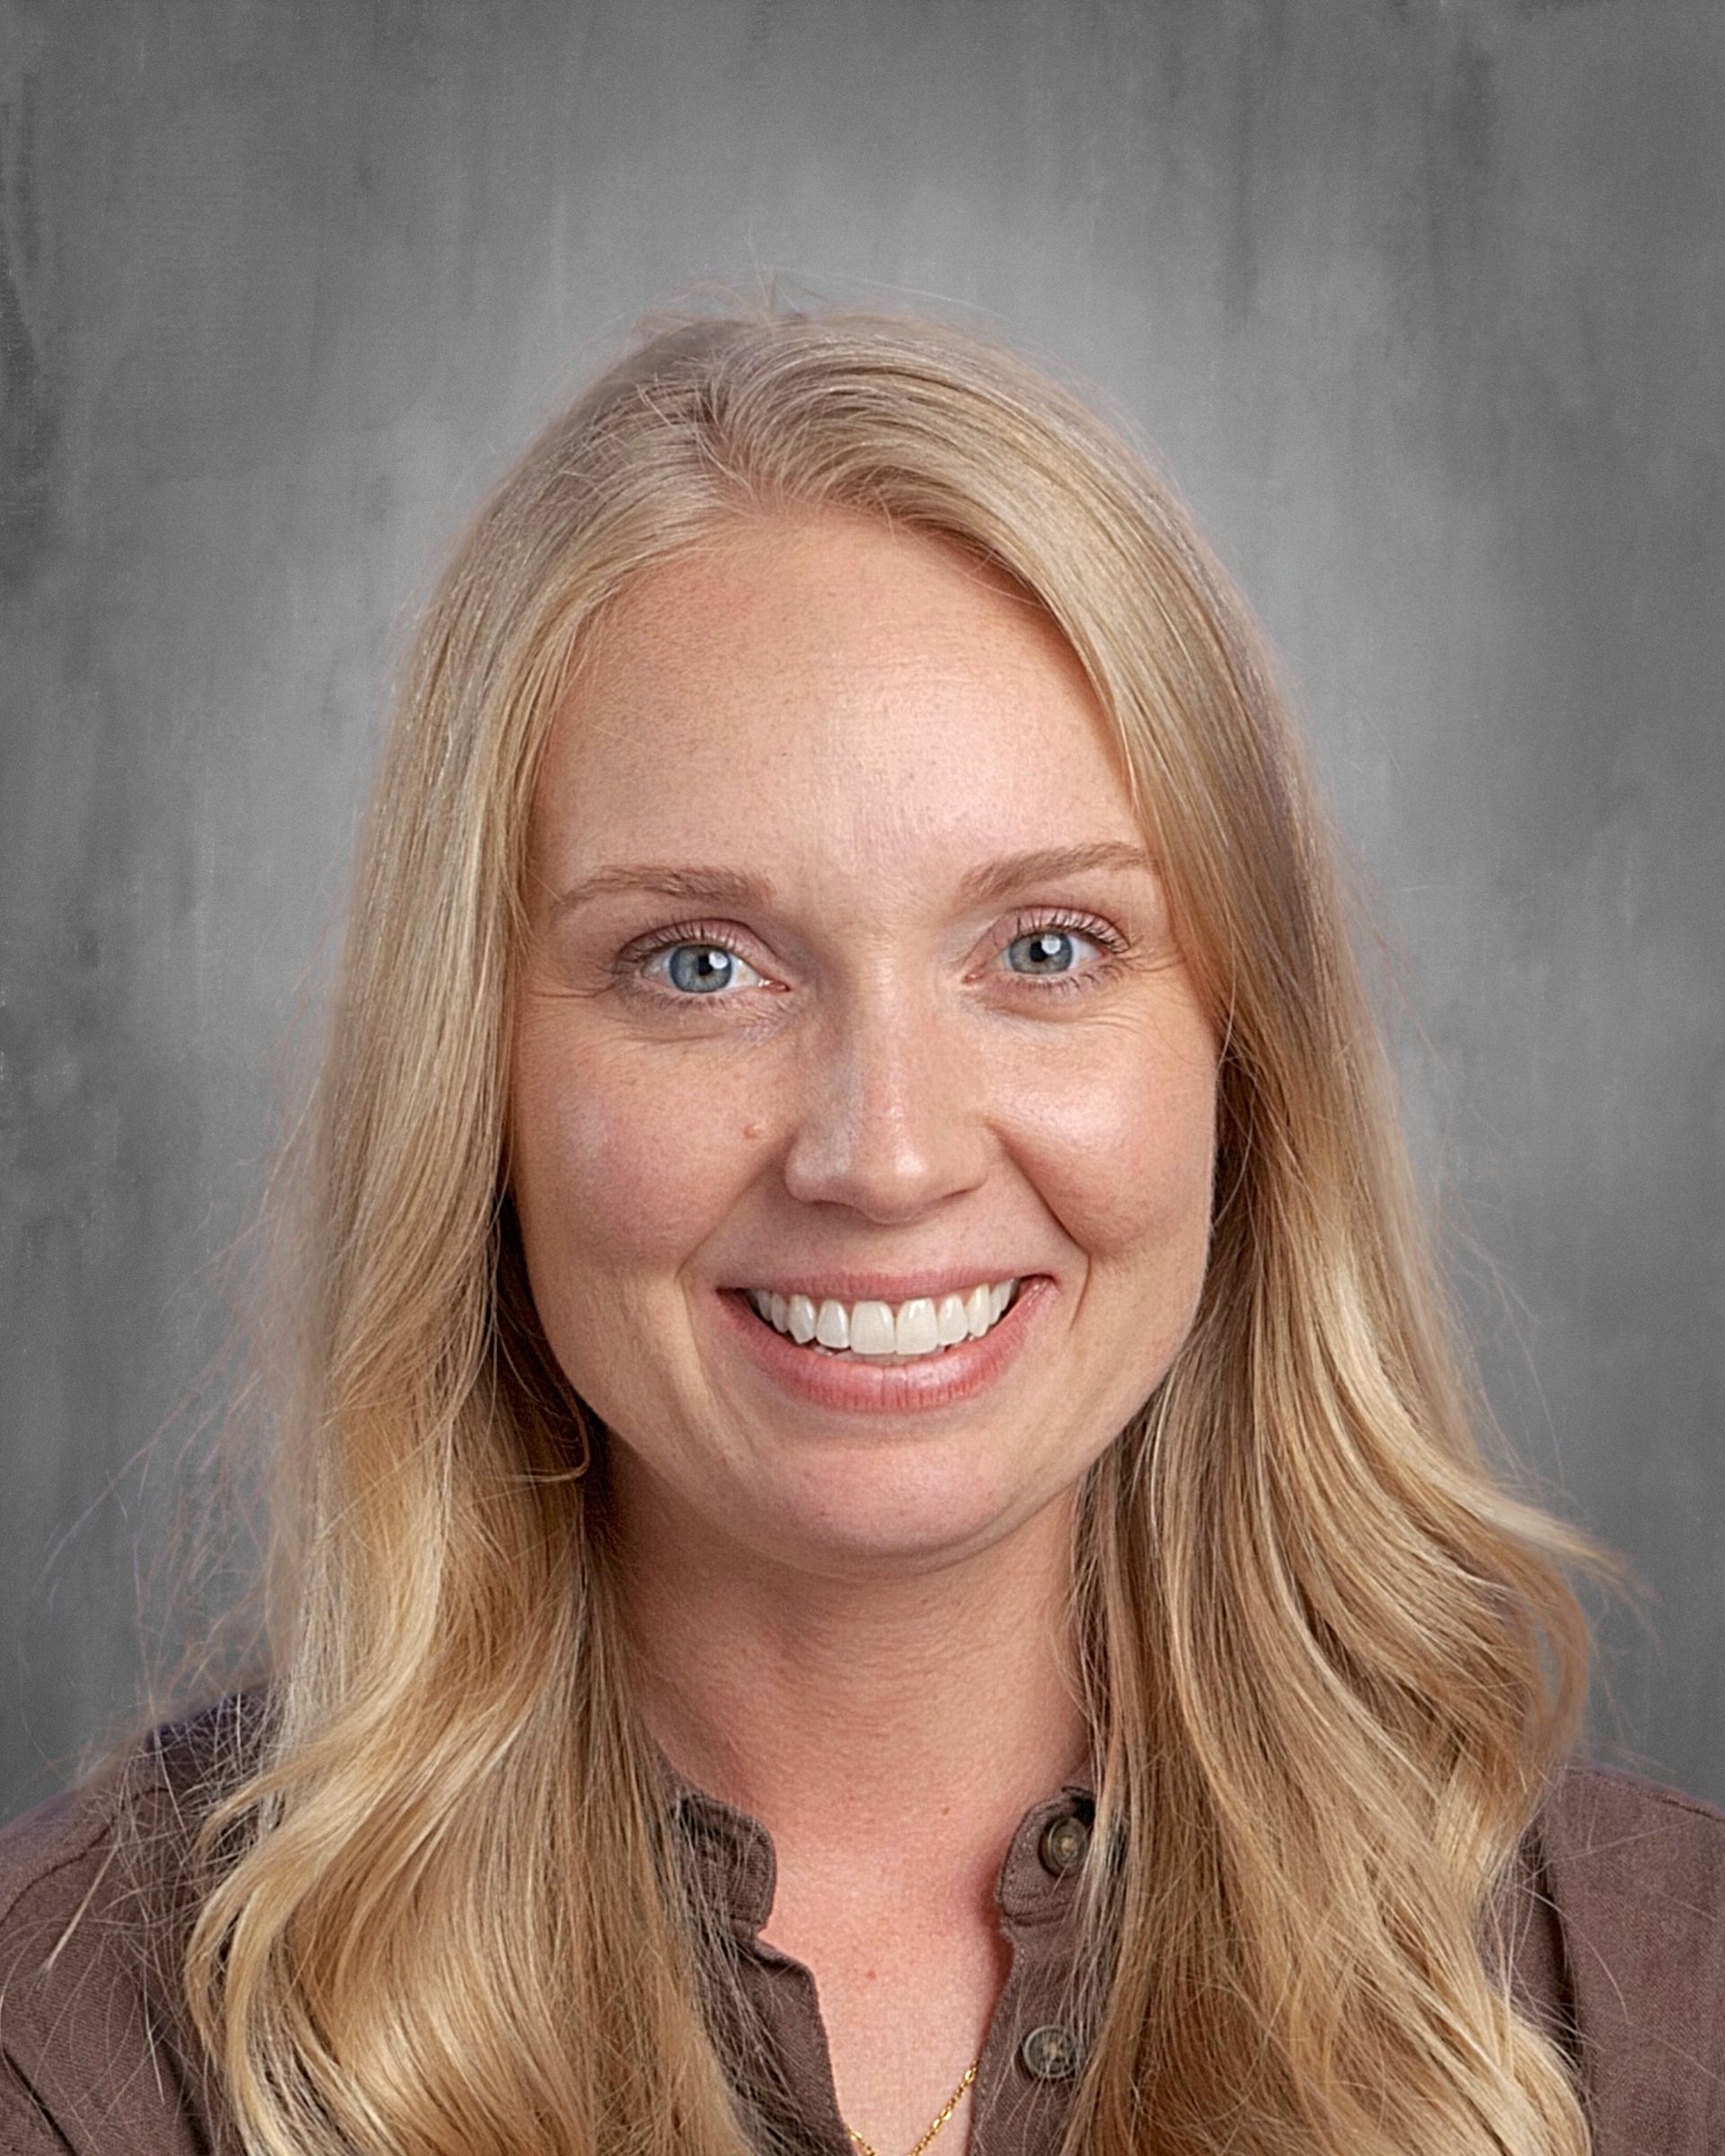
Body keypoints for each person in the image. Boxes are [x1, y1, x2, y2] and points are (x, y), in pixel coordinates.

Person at [2, 306, 1721, 2156]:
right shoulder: (89, 2043)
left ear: (1243, 1064)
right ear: (476, 1085)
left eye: (1047, 948)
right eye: (698, 962)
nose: (885, 1155)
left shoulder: (1664, 2005)